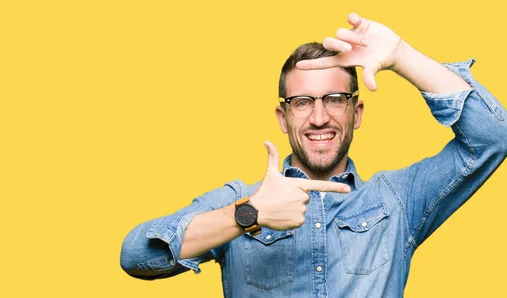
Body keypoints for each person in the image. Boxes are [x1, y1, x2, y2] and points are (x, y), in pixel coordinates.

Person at [120, 12, 507, 297]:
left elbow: (493, 138)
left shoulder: (397, 200)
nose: (319, 117)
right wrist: (249, 215)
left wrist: (402, 55)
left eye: (335, 99)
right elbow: (136, 255)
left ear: (356, 113)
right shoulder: (241, 201)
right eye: (303, 102)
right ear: (283, 117)